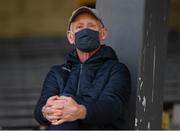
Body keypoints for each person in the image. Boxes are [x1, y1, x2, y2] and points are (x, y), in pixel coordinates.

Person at [34, 6, 131, 130]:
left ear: (103, 34)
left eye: (91, 26)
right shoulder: (57, 72)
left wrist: (79, 111)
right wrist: (45, 112)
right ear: (71, 37)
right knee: (63, 121)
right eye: (79, 27)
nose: (85, 31)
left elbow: (112, 106)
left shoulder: (116, 69)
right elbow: (40, 108)